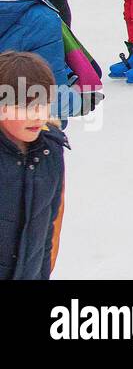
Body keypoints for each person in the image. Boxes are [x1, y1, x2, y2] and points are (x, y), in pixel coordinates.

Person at [0, 51, 67, 280]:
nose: (38, 116)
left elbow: (47, 228)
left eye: (44, 104)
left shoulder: (51, 150)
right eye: (27, 107)